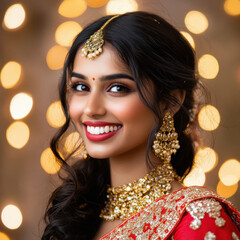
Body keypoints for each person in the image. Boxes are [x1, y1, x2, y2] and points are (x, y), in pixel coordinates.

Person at [41, 11, 240, 240]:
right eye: (81, 87)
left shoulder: (199, 220)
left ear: (171, 101)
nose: (91, 108)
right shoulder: (79, 212)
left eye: (117, 88)